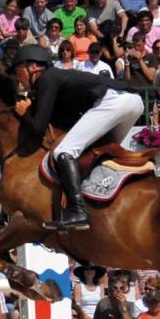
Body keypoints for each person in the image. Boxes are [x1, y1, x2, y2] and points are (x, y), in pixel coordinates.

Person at [15, 43, 144, 230]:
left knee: (63, 152)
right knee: (98, 153)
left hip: (114, 101)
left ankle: (77, 211)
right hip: (134, 102)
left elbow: (38, 127)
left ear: (33, 66)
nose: (19, 78)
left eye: (19, 71)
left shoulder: (47, 78)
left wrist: (24, 113)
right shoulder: (57, 78)